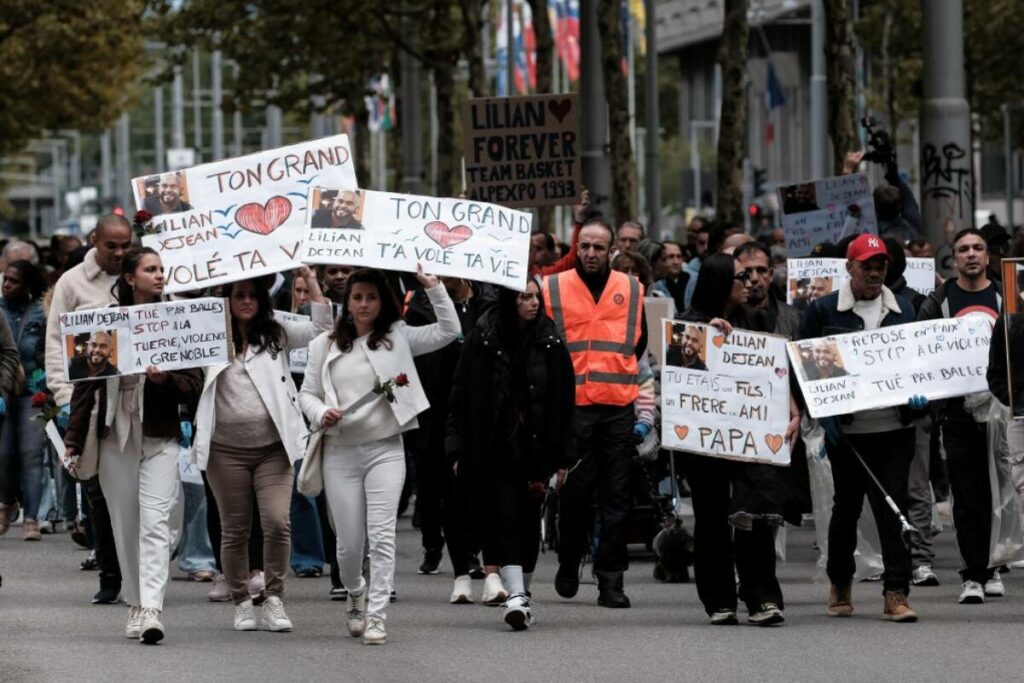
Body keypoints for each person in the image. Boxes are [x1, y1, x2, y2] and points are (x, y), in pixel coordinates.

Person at [299, 265, 459, 645]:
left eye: (371, 297)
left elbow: (449, 331)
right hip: (340, 452)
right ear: (347, 302)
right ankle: (355, 589)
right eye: (357, 297)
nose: (364, 304)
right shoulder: (324, 344)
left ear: (383, 300)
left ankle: (377, 614)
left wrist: (434, 287)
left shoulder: (397, 337)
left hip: (385, 449)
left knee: (383, 535)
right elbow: (305, 393)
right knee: (349, 545)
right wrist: (321, 413)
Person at [63, 246, 203, 644]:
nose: (159, 275)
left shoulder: (176, 319)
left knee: (157, 522)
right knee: (126, 526)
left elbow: (194, 383)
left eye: (162, 269)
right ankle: (136, 603)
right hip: (115, 439)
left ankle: (153, 609)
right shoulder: (103, 320)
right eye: (150, 269)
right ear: (129, 277)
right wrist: (73, 438)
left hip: (160, 436)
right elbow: (85, 385)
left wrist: (166, 381)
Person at [194, 268, 332, 633]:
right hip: (225, 451)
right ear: (227, 299)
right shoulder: (207, 335)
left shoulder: (277, 334)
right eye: (239, 295)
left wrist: (310, 279)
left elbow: (321, 330)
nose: (246, 302)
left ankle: (273, 598)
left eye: (253, 296)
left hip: (273, 449)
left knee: (276, 521)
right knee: (234, 530)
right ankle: (241, 601)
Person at [800, 234, 923, 622]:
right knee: (846, 510)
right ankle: (840, 583)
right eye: (866, 264)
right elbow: (805, 371)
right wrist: (823, 415)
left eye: (880, 265)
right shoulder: (822, 311)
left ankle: (896, 592)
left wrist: (922, 398)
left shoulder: (904, 309)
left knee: (894, 510)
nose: (874, 272)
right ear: (849, 267)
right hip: (848, 435)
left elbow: (920, 364)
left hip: (894, 429)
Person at [680, 252, 800, 626]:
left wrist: (793, 410)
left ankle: (761, 596)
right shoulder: (689, 325)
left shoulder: (757, 319)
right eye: (740, 276)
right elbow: (679, 377)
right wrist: (705, 340)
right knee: (712, 516)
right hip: (707, 439)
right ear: (719, 283)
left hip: (751, 436)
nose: (749, 281)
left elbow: (773, 371)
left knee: (757, 514)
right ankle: (719, 599)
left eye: (751, 275)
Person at [446, 281, 575, 630]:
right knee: (503, 516)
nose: (533, 303)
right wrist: (456, 447)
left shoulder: (551, 343)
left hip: (537, 449)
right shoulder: (482, 339)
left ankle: (523, 593)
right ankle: (515, 596)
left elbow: (564, 405)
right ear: (509, 300)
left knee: (529, 522)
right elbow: (460, 395)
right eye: (524, 297)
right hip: (494, 447)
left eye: (536, 297)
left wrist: (563, 459)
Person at [542, 217, 646, 609]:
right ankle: (569, 561)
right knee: (574, 495)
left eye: (598, 247)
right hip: (573, 409)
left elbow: (638, 345)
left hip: (617, 406)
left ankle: (610, 580)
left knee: (617, 498)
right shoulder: (553, 287)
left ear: (611, 251)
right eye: (584, 246)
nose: (589, 253)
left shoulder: (632, 289)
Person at [45, 214, 133, 605]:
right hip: (90, 406)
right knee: (97, 492)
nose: (118, 253)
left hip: (131, 403)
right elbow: (54, 342)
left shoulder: (136, 276)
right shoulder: (72, 283)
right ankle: (110, 576)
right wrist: (64, 398)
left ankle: (137, 574)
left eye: (125, 245)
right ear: (94, 240)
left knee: (133, 493)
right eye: (111, 245)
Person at [916, 227, 1004, 604]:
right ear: (953, 258)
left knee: (1002, 492)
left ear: (987, 256)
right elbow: (921, 350)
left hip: (1003, 413)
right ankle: (973, 574)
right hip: (956, 414)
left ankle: (996, 565)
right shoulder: (938, 301)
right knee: (967, 494)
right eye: (964, 249)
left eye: (978, 248)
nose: (971, 254)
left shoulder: (1006, 295)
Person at [404, 276, 498, 600]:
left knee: (469, 483)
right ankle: (433, 543)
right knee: (435, 485)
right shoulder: (420, 304)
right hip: (434, 404)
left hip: (472, 407)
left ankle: (470, 552)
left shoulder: (488, 302)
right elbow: (410, 355)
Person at [0, 261, 46, 540]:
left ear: (27, 285)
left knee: (32, 454)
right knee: (3, 454)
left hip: (33, 391)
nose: (7, 285)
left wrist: (45, 380)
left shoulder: (41, 311)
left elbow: (49, 348)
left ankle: (31, 518)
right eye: (5, 279)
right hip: (3, 392)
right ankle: (5, 504)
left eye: (14, 281)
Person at [735, 242, 801, 340]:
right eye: (747, 272)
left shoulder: (794, 318)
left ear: (771, 275)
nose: (754, 278)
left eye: (761, 270)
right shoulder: (723, 319)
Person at [653, 241, 690, 314]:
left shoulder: (692, 280)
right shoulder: (654, 284)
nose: (676, 262)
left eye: (679, 257)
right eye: (671, 257)